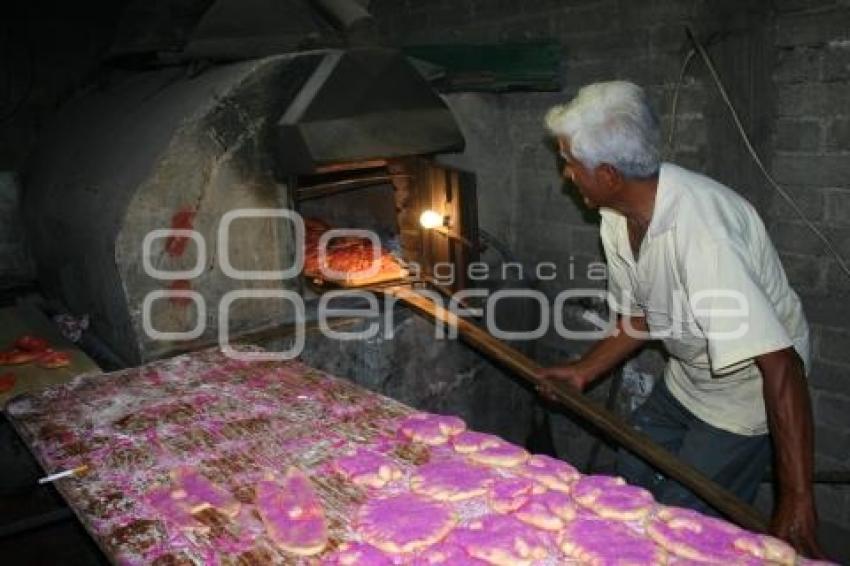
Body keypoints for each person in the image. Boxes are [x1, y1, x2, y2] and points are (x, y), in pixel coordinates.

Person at [536, 81, 824, 557]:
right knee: (630, 476)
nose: (566, 174)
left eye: (569, 161)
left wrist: (797, 497)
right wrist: (583, 370)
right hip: (687, 380)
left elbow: (781, 365)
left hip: (741, 399)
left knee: (683, 528)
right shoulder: (616, 215)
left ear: (607, 174)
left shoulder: (702, 234)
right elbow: (646, 313)